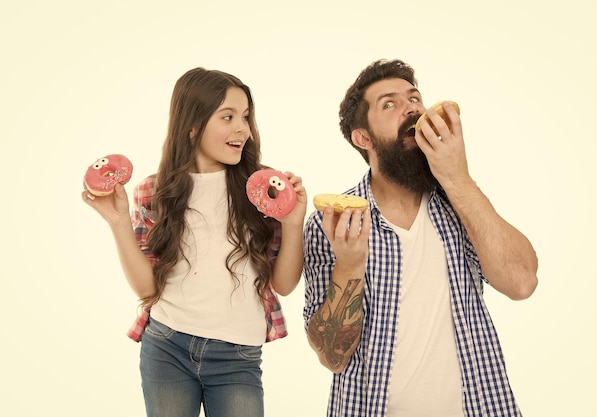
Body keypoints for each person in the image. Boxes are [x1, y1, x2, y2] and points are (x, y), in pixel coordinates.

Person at [303, 59, 538, 417]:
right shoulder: (332, 222)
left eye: (414, 98)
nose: (412, 108)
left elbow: (522, 282)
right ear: (363, 138)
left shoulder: (460, 205)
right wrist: (350, 263)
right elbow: (332, 356)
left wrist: (457, 177)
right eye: (389, 104)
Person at [82, 68, 307, 417]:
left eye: (245, 117)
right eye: (228, 117)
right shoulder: (153, 191)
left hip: (238, 357)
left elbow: (284, 284)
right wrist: (117, 222)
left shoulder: (263, 189)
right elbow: (147, 288)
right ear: (191, 125)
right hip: (167, 347)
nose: (242, 129)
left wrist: (293, 222)